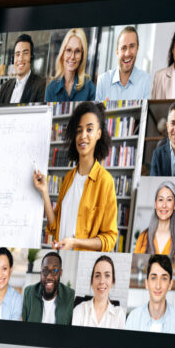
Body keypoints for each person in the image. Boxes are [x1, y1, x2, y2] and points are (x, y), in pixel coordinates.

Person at [33, 101, 119, 251]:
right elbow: (54, 226)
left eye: (89, 129)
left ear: (99, 134)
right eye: (79, 130)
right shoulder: (68, 178)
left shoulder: (105, 181)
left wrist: (75, 242)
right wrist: (44, 192)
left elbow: (109, 239)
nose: (83, 136)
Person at [125, 255, 175, 334]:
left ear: (170, 284)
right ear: (146, 283)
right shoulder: (133, 318)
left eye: (164, 278)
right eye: (153, 278)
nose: (158, 286)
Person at [133, 180, 175, 257]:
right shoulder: (142, 237)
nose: (164, 205)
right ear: (155, 204)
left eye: (169, 200)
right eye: (160, 199)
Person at [71, 255, 126, 328]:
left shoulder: (119, 314)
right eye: (97, 276)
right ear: (91, 282)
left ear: (112, 281)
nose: (102, 281)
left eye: (107, 275)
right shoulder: (79, 310)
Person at [98, 26, 150, 100]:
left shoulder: (147, 82)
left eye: (132, 46)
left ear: (137, 49)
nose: (127, 53)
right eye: (123, 48)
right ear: (117, 52)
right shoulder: (102, 81)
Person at [44, 28, 96, 102]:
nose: (72, 57)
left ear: (82, 55)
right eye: (69, 50)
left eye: (77, 51)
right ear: (63, 53)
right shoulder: (51, 89)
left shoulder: (90, 88)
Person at [21, 251, 74, 324]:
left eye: (55, 270)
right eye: (45, 270)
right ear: (41, 272)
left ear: (60, 273)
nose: (49, 276)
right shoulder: (29, 292)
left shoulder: (70, 295)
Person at [0, 33, 46, 105]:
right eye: (17, 54)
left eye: (25, 53)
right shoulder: (5, 87)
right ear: (13, 59)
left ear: (32, 57)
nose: (20, 58)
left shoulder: (42, 85)